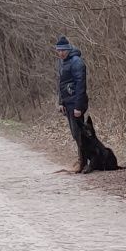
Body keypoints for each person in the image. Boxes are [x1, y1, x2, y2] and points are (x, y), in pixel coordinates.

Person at [55, 36, 88, 167]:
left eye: (63, 50)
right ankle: (82, 158)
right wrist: (61, 102)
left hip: (76, 102)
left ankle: (84, 160)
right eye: (59, 50)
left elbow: (81, 85)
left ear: (68, 49)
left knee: (79, 133)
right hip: (67, 102)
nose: (61, 53)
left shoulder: (77, 62)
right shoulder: (61, 62)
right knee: (75, 133)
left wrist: (78, 107)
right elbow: (61, 84)